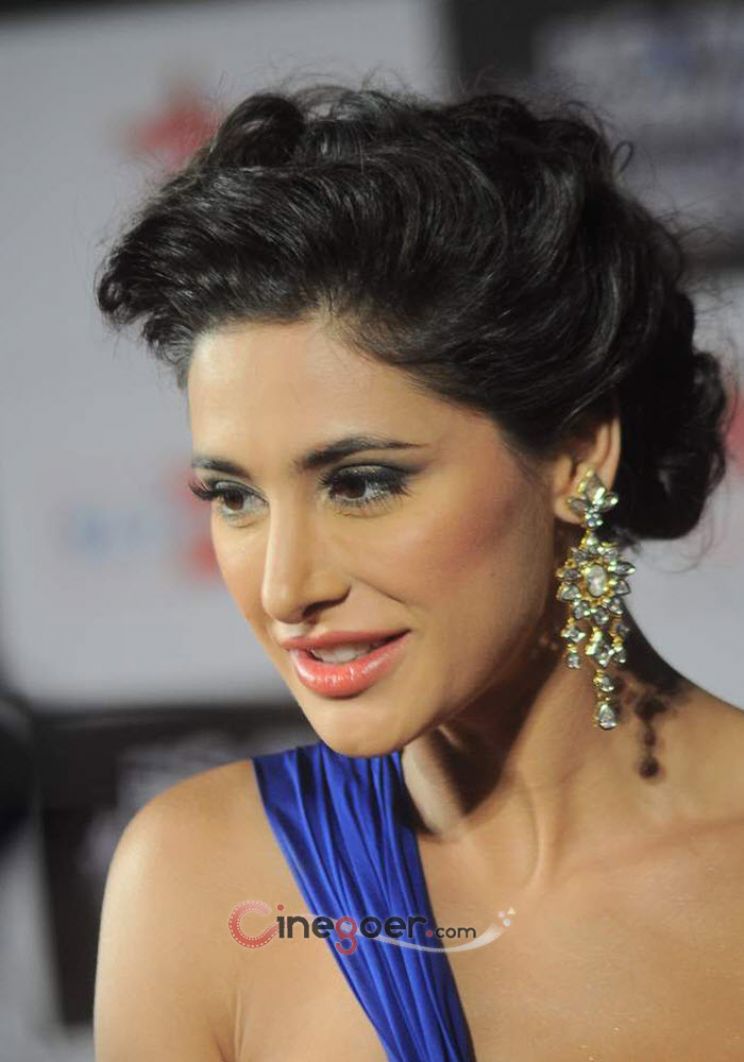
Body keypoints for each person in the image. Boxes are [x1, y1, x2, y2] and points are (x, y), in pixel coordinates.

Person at [92, 80, 744, 1061]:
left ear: (576, 457)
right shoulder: (199, 881)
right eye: (233, 496)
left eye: (360, 484)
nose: (284, 589)